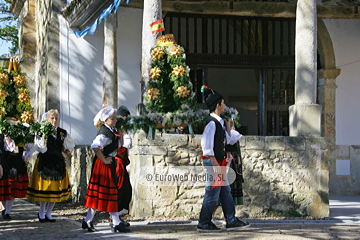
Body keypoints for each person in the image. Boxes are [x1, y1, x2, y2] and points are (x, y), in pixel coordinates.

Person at [197, 85, 250, 232]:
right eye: (223, 103)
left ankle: (231, 219)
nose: (225, 105)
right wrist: (214, 163)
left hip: (217, 162)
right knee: (212, 193)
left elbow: (227, 139)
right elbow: (206, 145)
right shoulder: (211, 123)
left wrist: (227, 124)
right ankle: (204, 222)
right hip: (214, 162)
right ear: (218, 105)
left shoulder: (218, 122)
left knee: (225, 191)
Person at [83, 107, 130, 233]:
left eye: (115, 118)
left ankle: (112, 222)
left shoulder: (112, 130)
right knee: (102, 193)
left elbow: (119, 144)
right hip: (103, 165)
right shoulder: (104, 132)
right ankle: (110, 222)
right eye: (113, 119)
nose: (115, 121)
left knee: (109, 194)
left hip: (108, 164)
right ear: (105, 120)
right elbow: (95, 146)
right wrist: (103, 160)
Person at [26, 109, 75, 223]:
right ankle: (41, 212)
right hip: (45, 162)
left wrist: (66, 152)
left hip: (57, 162)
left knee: (55, 189)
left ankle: (49, 213)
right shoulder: (41, 131)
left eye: (56, 118)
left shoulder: (62, 133)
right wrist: (44, 138)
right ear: (47, 119)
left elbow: (71, 144)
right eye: (52, 118)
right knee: (46, 188)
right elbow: (41, 149)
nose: (54, 120)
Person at [0, 130, 34, 220]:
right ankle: (4, 209)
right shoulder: (1, 138)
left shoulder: (20, 137)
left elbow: (30, 148)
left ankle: (7, 212)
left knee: (12, 191)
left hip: (17, 166)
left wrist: (26, 157)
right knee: (4, 190)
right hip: (4, 166)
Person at [115, 105, 132, 227]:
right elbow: (127, 144)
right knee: (120, 189)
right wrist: (125, 133)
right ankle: (115, 219)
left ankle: (118, 218)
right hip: (117, 162)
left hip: (121, 162)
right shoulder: (116, 130)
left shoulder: (122, 129)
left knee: (126, 190)